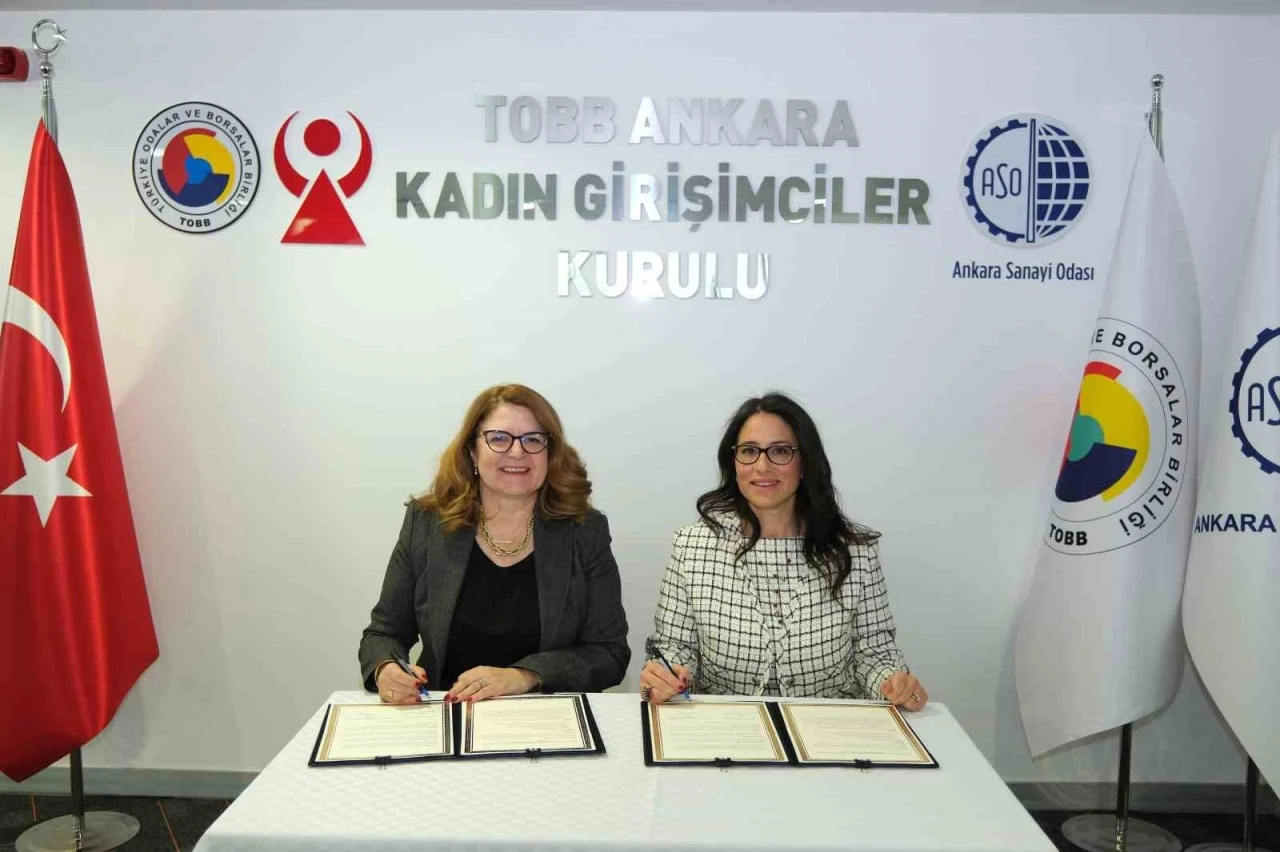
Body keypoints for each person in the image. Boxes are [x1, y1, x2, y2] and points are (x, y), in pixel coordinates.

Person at [641, 392, 927, 710]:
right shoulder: (692, 547)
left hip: (828, 727)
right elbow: (673, 649)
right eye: (749, 451)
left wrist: (896, 684)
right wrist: (664, 679)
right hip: (727, 727)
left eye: (780, 451)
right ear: (733, 463)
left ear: (805, 463)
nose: (762, 466)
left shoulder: (856, 551)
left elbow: (875, 654)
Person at [359, 384, 630, 703]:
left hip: (544, 716)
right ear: (472, 451)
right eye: (499, 438)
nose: (517, 452)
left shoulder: (584, 531)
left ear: (550, 454)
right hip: (446, 710)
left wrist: (524, 676)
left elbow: (609, 653)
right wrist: (386, 669)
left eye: (533, 439)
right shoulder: (428, 522)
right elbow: (383, 633)